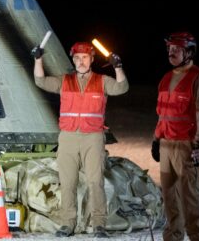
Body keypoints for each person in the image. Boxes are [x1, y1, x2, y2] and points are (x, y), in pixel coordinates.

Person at [33, 40, 128, 238]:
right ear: (73, 60)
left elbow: (121, 88)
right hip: (68, 137)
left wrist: (118, 67)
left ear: (92, 59)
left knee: (95, 182)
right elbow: (40, 81)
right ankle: (68, 224)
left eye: (84, 57)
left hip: (93, 137)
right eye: (77, 58)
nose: (81, 61)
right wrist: (38, 59)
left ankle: (99, 224)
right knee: (67, 183)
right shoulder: (64, 80)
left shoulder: (102, 81)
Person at [152, 32, 199, 241]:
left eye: (176, 49)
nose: (171, 52)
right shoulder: (166, 78)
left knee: (190, 198)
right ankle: (172, 237)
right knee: (169, 197)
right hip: (167, 145)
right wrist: (156, 139)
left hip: (186, 145)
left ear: (189, 52)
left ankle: (197, 237)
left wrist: (198, 144)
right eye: (169, 49)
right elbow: (163, 113)